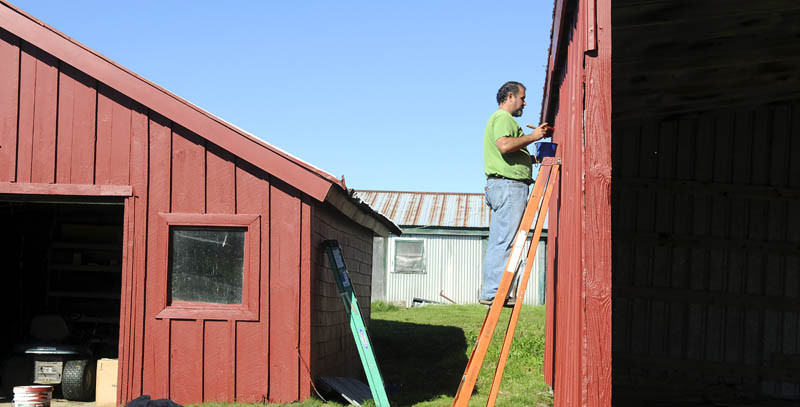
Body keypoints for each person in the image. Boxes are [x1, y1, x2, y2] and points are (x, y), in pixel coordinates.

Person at [480, 81, 552, 306]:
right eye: (522, 98)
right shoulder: (503, 118)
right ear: (510, 96)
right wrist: (534, 137)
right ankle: (493, 293)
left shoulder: (500, 119)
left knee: (501, 241)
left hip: (503, 185)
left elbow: (508, 151)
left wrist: (530, 159)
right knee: (506, 241)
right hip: (509, 187)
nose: (524, 102)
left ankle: (493, 291)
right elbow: (504, 145)